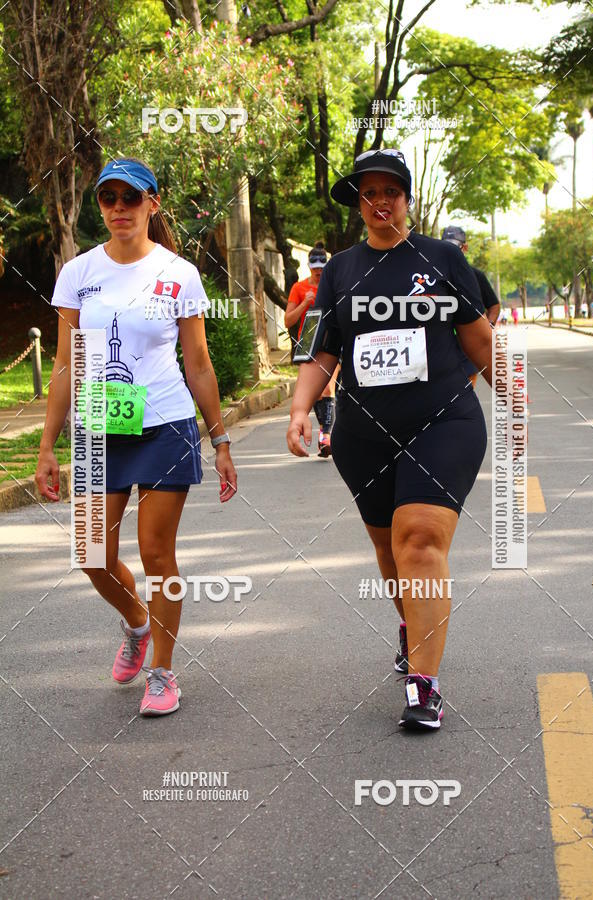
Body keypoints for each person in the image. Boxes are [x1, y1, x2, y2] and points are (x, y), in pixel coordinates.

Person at [287, 149, 492, 730]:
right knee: (389, 552)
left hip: (445, 420)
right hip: (363, 434)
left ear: (407, 198)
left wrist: (513, 397)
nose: (379, 202)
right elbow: (323, 351)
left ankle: (423, 685)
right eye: (367, 193)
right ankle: (411, 623)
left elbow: (479, 340)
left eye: (390, 191)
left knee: (420, 539)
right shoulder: (343, 272)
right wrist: (302, 409)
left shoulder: (442, 258)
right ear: (359, 205)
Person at [35, 158, 237, 717]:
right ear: (100, 205)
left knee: (156, 552)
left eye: (131, 197)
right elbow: (65, 365)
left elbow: (197, 362)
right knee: (93, 552)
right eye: (109, 198)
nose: (119, 208)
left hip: (166, 424)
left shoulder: (179, 273)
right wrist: (48, 446)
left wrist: (219, 441)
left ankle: (163, 673)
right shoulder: (78, 273)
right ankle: (136, 623)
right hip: (101, 426)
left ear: (152, 203)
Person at [285, 242, 338, 457]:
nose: (318, 270)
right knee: (315, 394)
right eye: (314, 265)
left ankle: (326, 435)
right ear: (308, 266)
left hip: (332, 342)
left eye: (322, 265)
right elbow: (288, 321)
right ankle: (323, 432)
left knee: (327, 388)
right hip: (308, 344)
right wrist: (304, 303)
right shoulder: (299, 288)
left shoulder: (334, 285)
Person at [441, 225, 499, 388]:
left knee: (464, 393)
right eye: (446, 246)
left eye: (455, 247)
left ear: (464, 248)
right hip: (443, 351)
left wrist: (488, 326)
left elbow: (494, 305)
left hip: (467, 351)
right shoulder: (434, 275)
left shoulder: (475, 275)